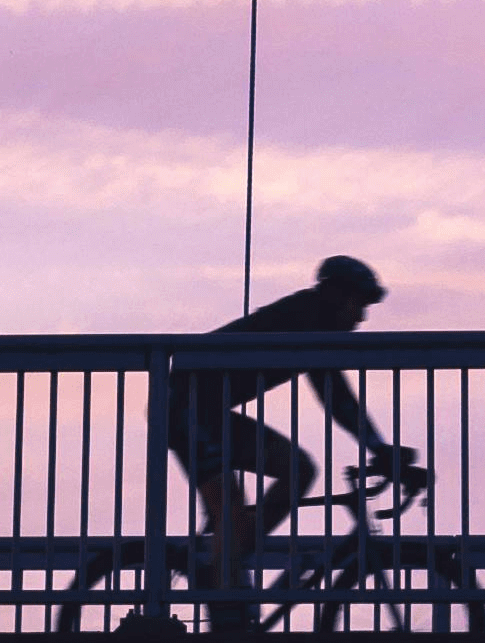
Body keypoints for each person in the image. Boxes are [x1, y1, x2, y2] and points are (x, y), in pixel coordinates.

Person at [176, 256, 419, 609]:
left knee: (299, 469)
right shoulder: (305, 319)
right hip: (183, 407)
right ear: (336, 295)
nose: (361, 317)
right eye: (358, 304)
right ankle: (224, 591)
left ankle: (228, 562)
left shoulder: (314, 323)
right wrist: (380, 449)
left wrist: (380, 447)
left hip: (207, 411)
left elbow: (337, 398)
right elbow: (337, 397)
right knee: (229, 511)